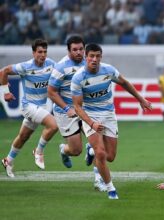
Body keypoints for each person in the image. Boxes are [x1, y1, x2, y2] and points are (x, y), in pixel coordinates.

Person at [71, 43, 152, 199]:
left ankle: (91, 150)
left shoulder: (108, 70)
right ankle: (111, 189)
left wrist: (140, 99)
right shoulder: (78, 78)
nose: (94, 59)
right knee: (101, 154)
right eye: (91, 56)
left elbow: (124, 83)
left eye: (98, 56)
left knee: (110, 156)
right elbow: (77, 107)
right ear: (86, 57)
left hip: (109, 114)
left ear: (101, 57)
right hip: (91, 116)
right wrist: (91, 123)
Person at [48, 35, 105, 191]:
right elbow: (51, 92)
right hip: (65, 111)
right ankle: (64, 150)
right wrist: (67, 108)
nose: (79, 52)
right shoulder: (61, 67)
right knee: (76, 150)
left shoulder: (89, 63)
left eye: (81, 49)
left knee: (98, 145)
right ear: (68, 51)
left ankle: (99, 180)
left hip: (86, 109)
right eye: (75, 50)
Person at [0, 39, 58, 178]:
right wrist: (5, 92)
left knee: (23, 136)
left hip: (41, 107)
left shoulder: (51, 64)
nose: (42, 55)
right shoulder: (25, 66)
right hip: (28, 107)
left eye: (45, 52)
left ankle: (8, 161)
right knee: (53, 125)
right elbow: (4, 71)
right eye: (39, 52)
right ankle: (38, 151)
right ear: (33, 53)